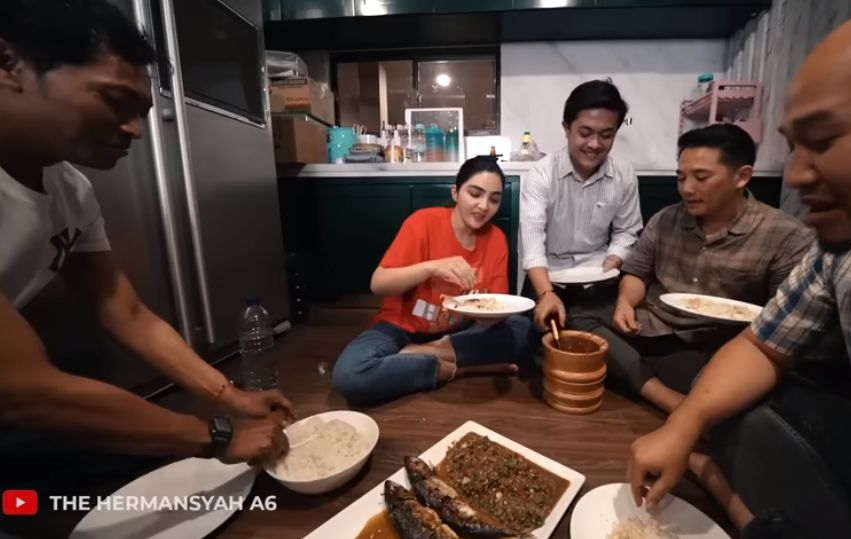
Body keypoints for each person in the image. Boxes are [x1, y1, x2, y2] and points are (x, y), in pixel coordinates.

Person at [626, 1, 851, 538]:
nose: (798, 175)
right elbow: (764, 345)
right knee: (733, 404)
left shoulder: (791, 234)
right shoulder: (844, 253)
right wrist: (684, 424)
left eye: (826, 140)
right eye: (793, 147)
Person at [0, 0, 292, 486]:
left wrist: (230, 397)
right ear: (9, 65)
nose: (135, 130)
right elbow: (22, 390)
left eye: (141, 113)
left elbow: (125, 311)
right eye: (114, 100)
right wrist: (217, 435)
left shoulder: (70, 189)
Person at [574, 123, 813, 412]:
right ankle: (665, 395)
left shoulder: (786, 235)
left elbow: (784, 320)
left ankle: (638, 374)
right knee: (577, 315)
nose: (687, 188)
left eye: (701, 177)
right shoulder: (665, 220)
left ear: (742, 176)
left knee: (749, 384)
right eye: (681, 177)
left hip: (720, 343)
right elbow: (637, 272)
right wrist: (625, 303)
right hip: (655, 327)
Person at [332, 156, 534, 403]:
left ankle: (424, 355)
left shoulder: (496, 239)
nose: (484, 206)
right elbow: (378, 283)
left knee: (523, 329)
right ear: (455, 192)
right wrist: (431, 267)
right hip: (401, 328)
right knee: (350, 375)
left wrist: (486, 312)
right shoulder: (423, 222)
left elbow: (497, 309)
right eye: (475, 194)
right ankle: (457, 370)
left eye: (494, 199)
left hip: (459, 333)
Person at [519, 79, 642, 332]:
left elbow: (627, 231)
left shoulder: (624, 174)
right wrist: (546, 294)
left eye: (606, 135)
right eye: (585, 133)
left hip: (599, 278)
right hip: (547, 278)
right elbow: (531, 243)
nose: (595, 144)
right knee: (539, 339)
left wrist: (609, 265)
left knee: (614, 334)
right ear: (567, 128)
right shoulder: (541, 174)